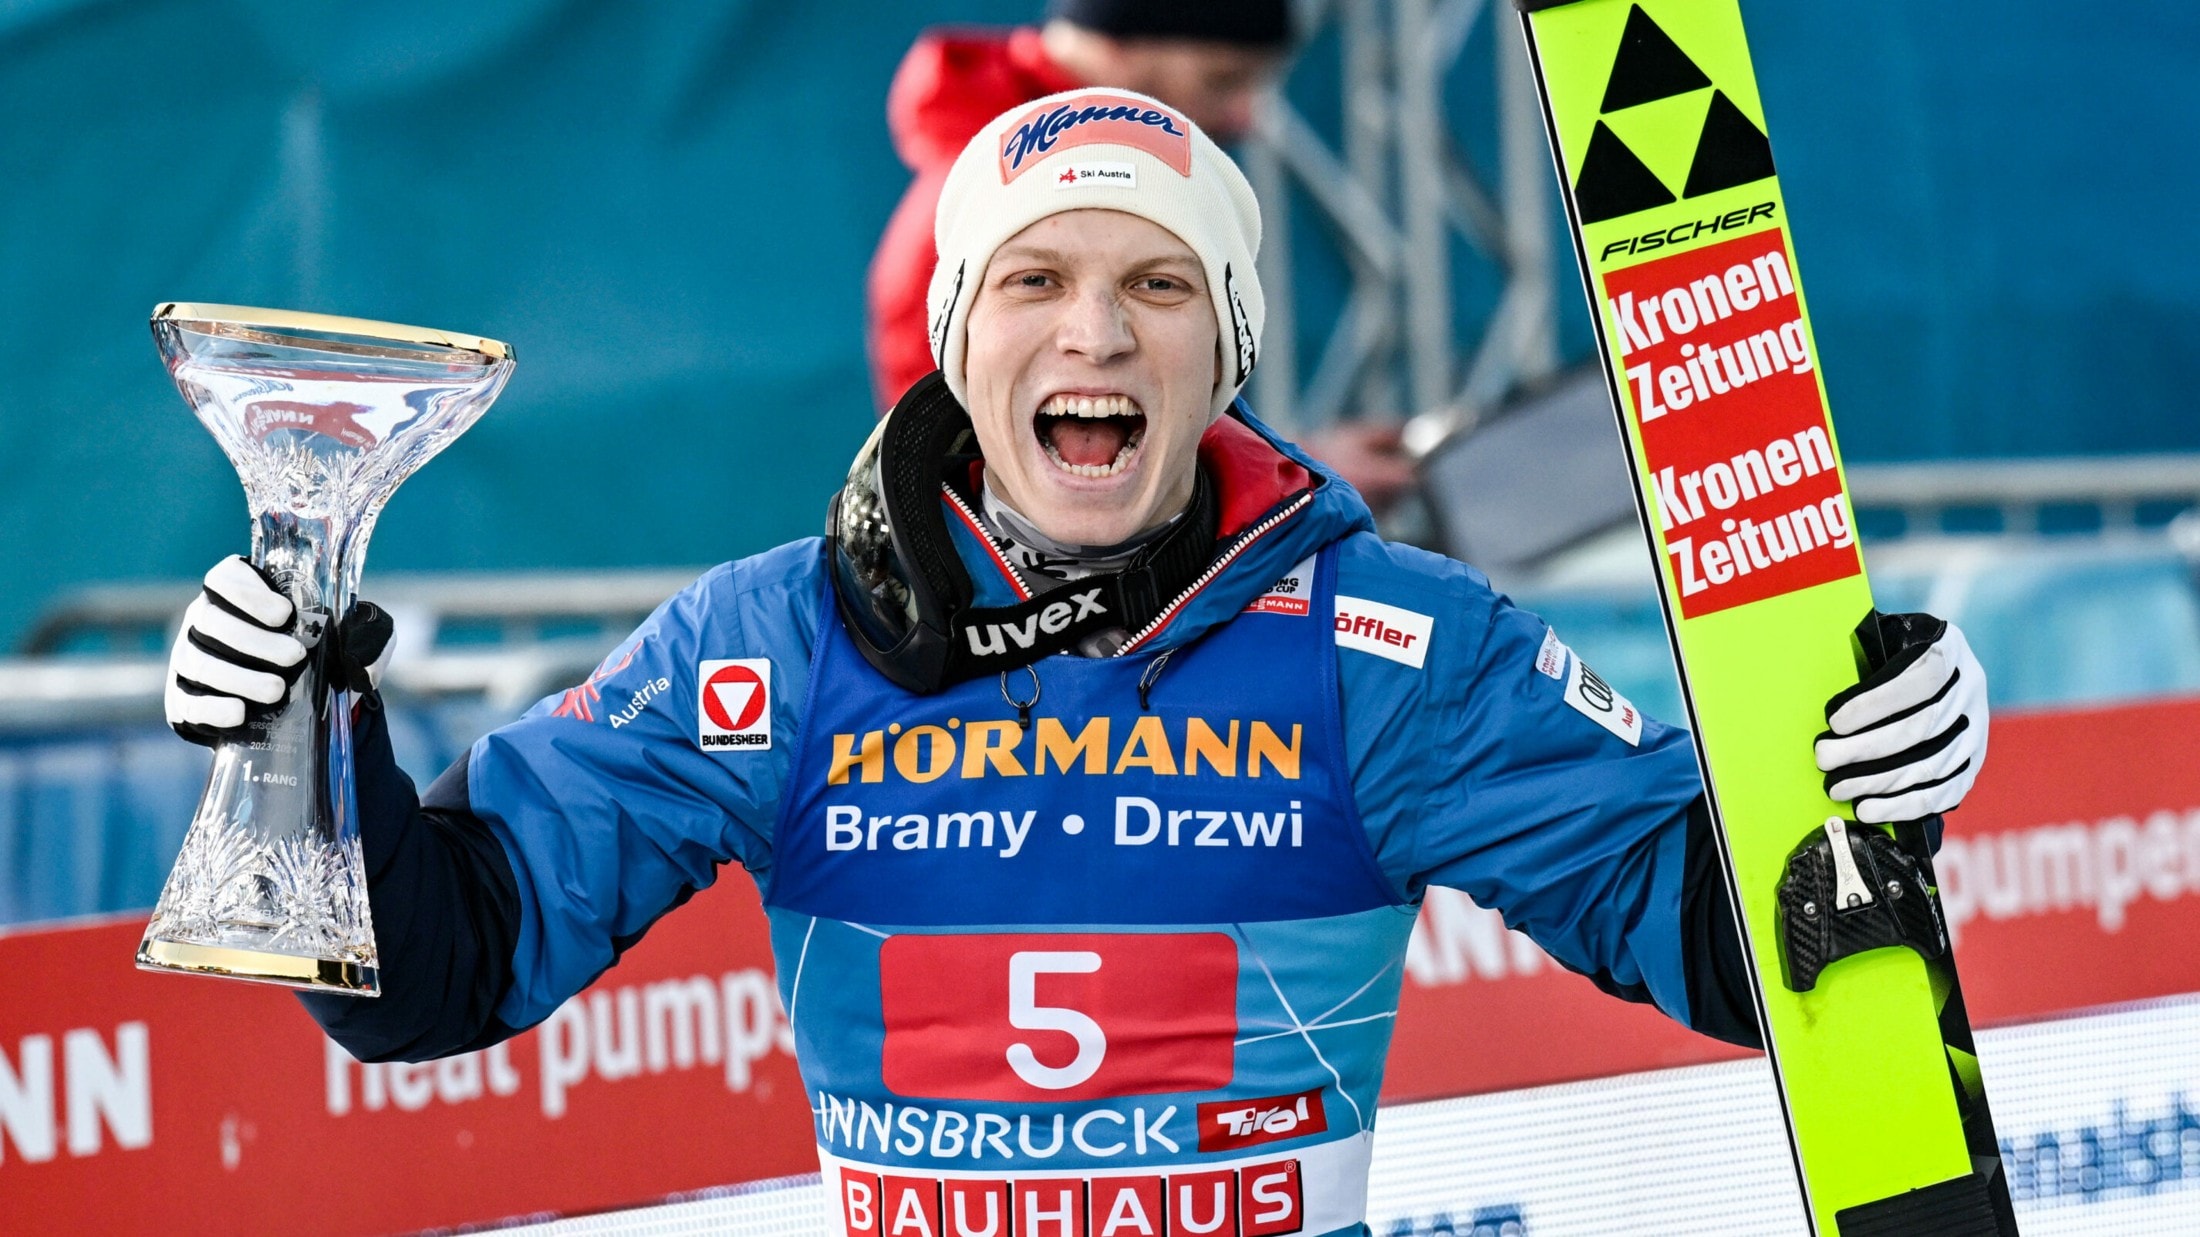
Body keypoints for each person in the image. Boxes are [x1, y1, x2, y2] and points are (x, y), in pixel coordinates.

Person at [166, 89, 1988, 1233]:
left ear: (1229, 351)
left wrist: (1857, 777)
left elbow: (1729, 943)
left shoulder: (1389, 651)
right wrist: (297, 722)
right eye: (1032, 282)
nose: (1095, 325)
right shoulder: (778, 644)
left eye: (1160, 283)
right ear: (960, 345)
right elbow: (427, 979)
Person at [869, 0, 1421, 514]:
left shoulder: (1053, 185)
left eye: (1159, 285)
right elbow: (982, 484)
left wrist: (1291, 464)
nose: (1243, 116)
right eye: (1222, 79)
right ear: (1114, 45)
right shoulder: (978, 218)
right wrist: (1293, 475)